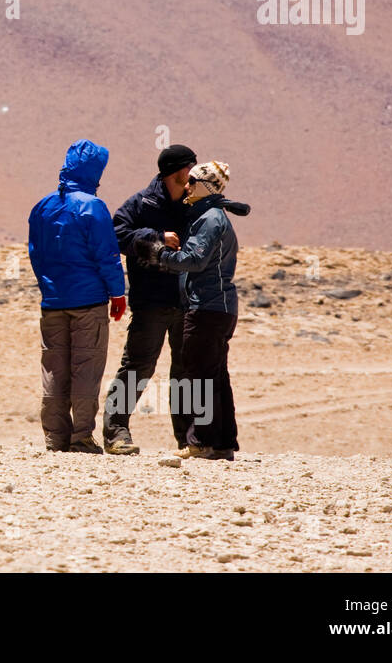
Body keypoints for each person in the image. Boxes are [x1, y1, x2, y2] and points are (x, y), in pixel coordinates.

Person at [27, 139, 127, 453]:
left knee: (54, 368)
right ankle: (81, 436)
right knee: (86, 367)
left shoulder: (42, 206)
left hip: (53, 302)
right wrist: (118, 293)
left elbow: (35, 255)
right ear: (92, 172)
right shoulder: (92, 206)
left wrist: (49, 288)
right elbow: (107, 256)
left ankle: (55, 437)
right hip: (88, 303)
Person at [101, 144, 197, 455]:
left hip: (186, 300)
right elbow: (116, 236)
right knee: (137, 367)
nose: (193, 174)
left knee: (186, 370)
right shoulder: (142, 203)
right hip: (151, 301)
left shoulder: (193, 202)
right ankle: (116, 433)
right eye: (189, 167)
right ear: (176, 171)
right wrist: (156, 237)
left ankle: (190, 439)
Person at [149, 160, 241, 461]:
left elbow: (194, 260)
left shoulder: (210, 219)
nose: (185, 186)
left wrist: (159, 254)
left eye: (191, 182)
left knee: (198, 374)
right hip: (220, 308)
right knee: (215, 374)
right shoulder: (216, 216)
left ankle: (200, 440)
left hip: (207, 307)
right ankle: (223, 442)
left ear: (204, 186)